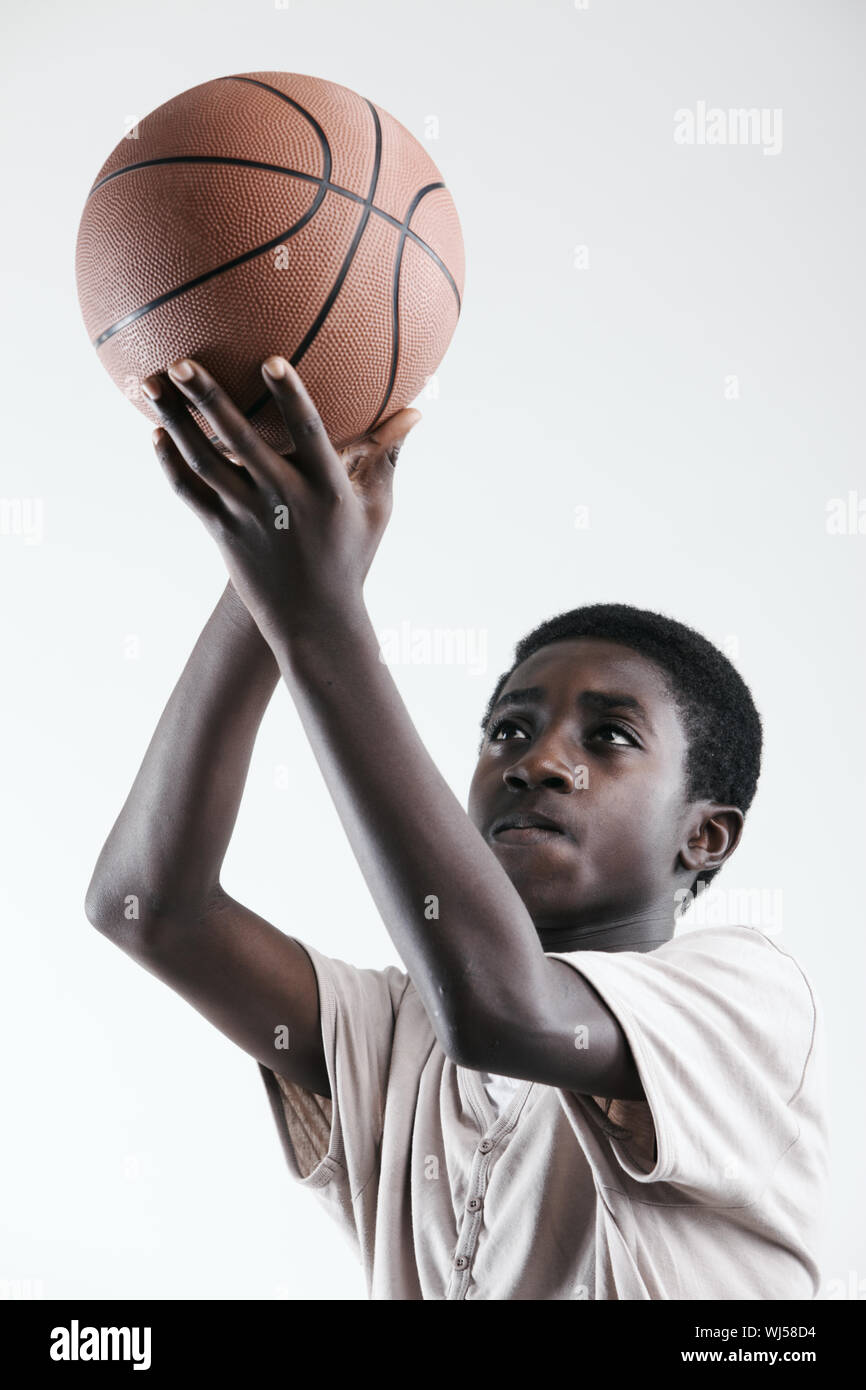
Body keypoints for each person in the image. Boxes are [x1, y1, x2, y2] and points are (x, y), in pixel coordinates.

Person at [85, 355, 829, 1300]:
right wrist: (270, 575)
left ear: (706, 836)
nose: (538, 760)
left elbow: (503, 1010)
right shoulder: (405, 1037)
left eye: (609, 737)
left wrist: (319, 614)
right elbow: (145, 906)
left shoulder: (749, 998)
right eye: (509, 730)